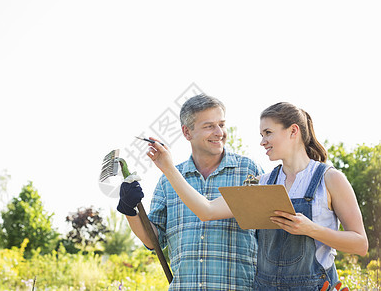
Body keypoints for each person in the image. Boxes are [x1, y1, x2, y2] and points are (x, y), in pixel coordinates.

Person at [145, 102, 369, 290]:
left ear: (293, 131)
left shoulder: (329, 179)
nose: (262, 142)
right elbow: (207, 210)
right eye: (261, 135)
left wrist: (310, 229)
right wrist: (169, 169)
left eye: (268, 133)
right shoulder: (262, 183)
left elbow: (360, 244)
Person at [117, 94, 263, 290]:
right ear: (187, 132)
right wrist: (129, 210)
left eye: (221, 124)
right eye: (209, 126)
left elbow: (269, 234)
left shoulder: (248, 172)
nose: (219, 132)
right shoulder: (167, 182)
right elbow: (153, 241)